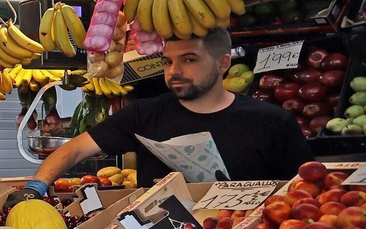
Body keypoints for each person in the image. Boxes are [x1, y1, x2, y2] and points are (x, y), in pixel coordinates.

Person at [20, 27, 312, 194]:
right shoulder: (144, 114)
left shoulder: (272, 122)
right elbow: (73, 150)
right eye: (168, 62)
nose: (175, 71)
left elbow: (304, 192)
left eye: (189, 60)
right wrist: (36, 186)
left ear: (223, 64)